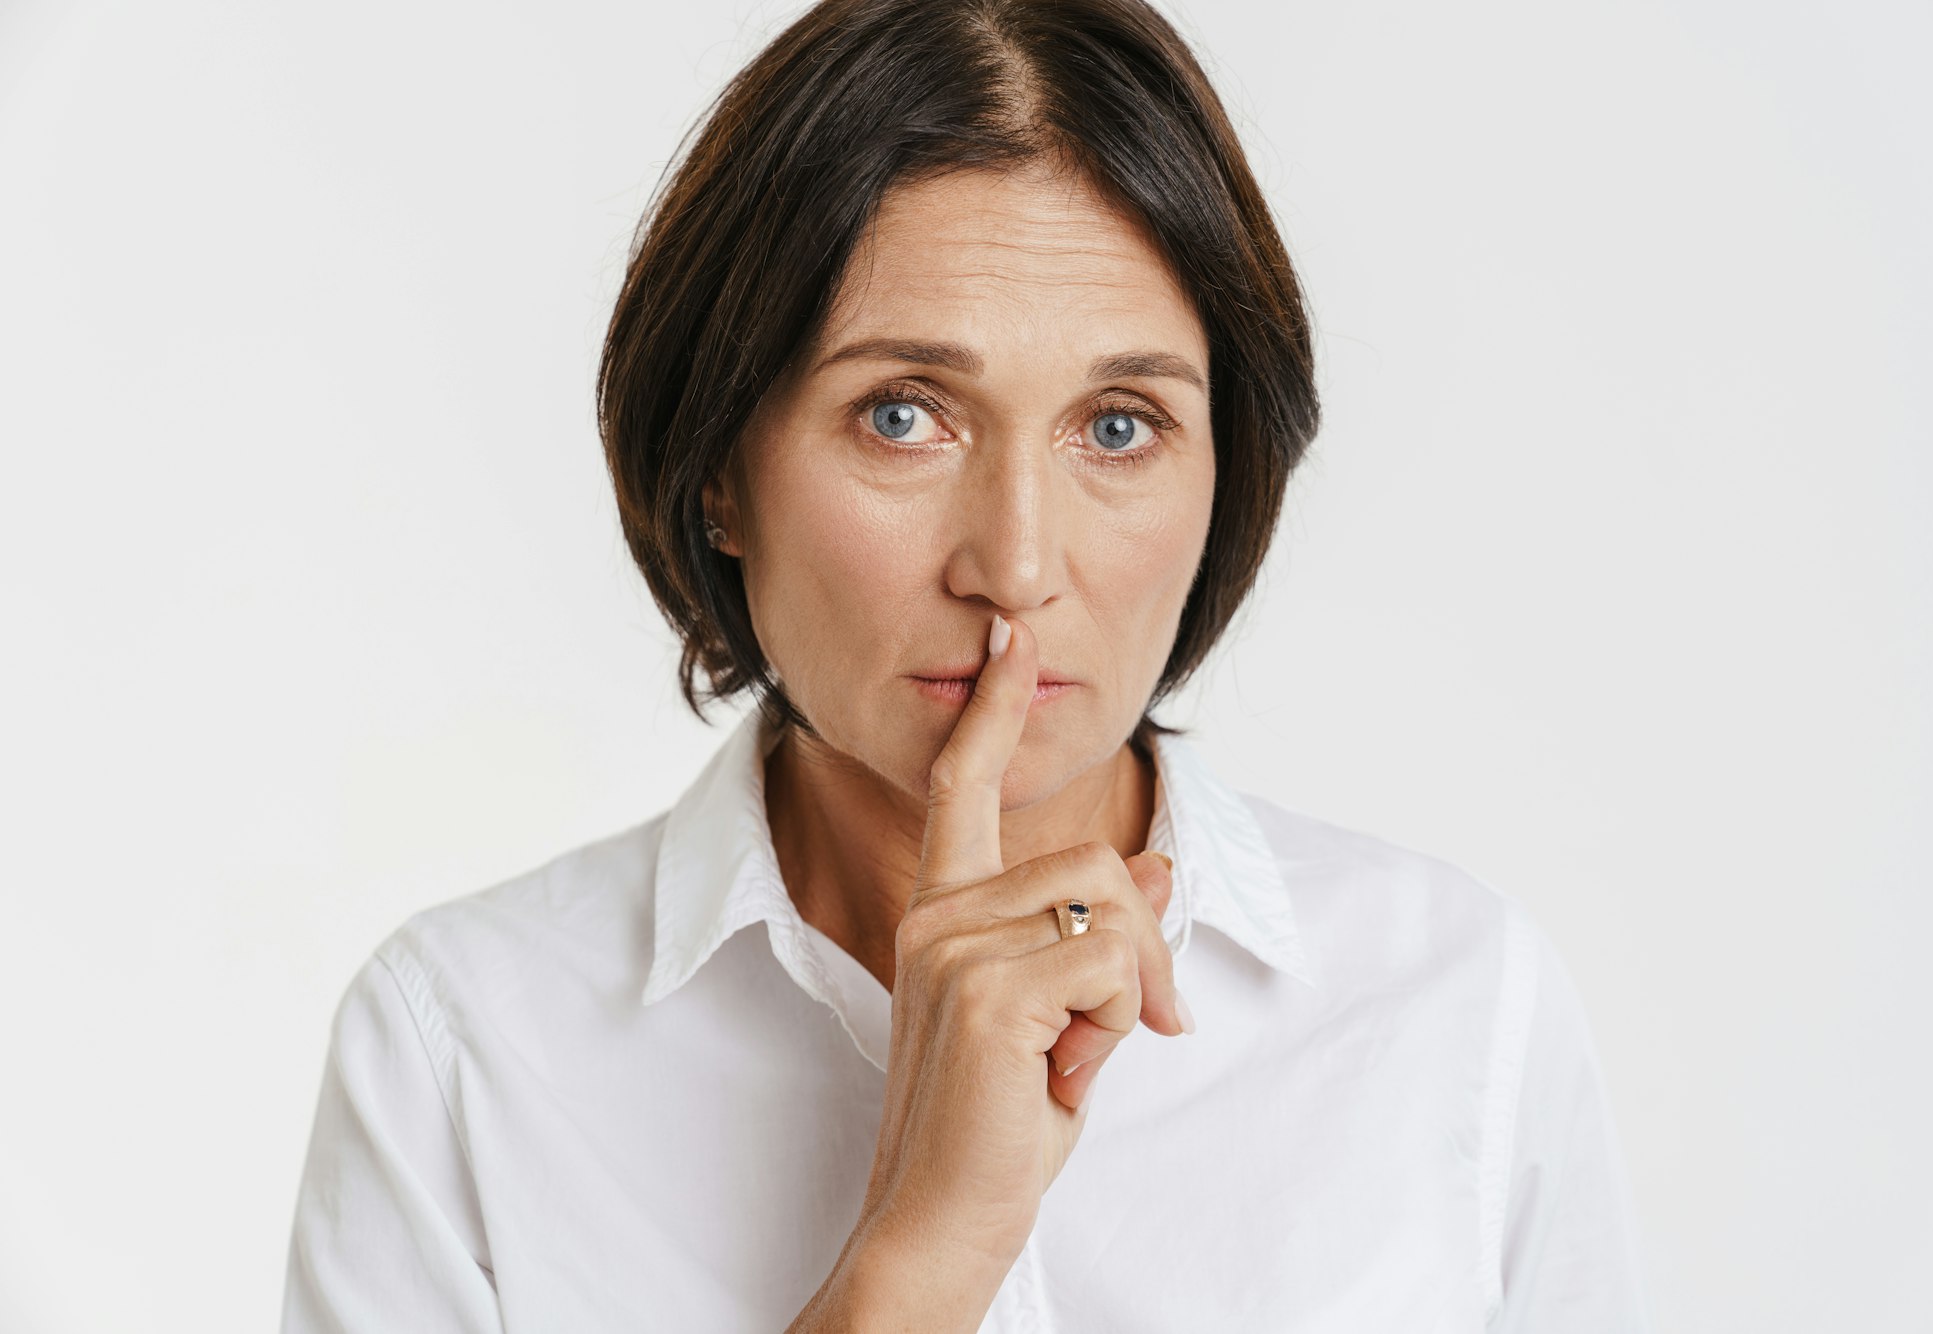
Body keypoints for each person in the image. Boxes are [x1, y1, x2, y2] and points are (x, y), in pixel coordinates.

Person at [280, 0, 1653, 1328]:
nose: (1014, 561)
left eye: (1118, 427)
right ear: (718, 475)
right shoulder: (462, 1051)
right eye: (902, 415)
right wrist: (921, 1255)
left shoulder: (1455, 1009)